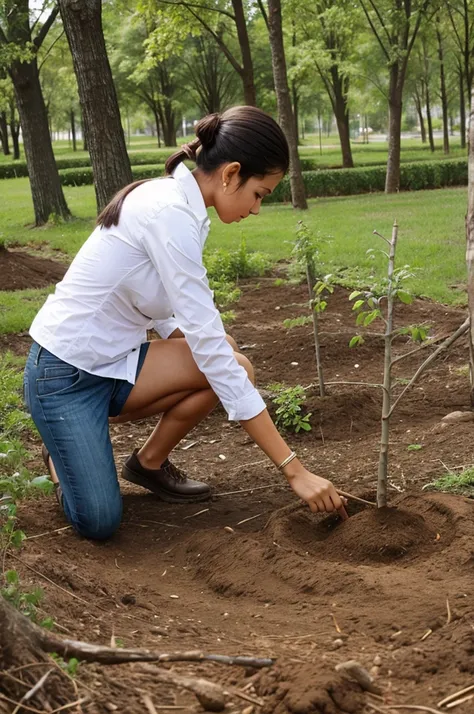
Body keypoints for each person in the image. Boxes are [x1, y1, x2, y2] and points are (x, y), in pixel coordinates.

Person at [23, 106, 346, 541]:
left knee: (233, 362)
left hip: (117, 364)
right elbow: (207, 351)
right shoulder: (168, 213)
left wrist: (209, 346)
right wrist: (296, 471)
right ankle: (62, 453)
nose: (256, 209)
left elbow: (167, 309)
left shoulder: (186, 209)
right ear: (231, 173)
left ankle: (148, 465)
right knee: (99, 521)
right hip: (64, 376)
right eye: (260, 194)